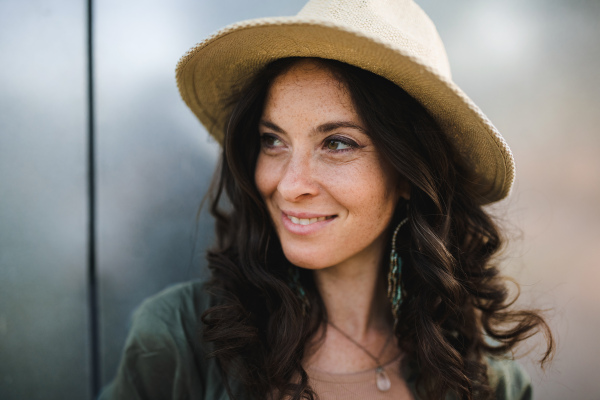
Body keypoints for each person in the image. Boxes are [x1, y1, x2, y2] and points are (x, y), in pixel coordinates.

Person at [100, 0, 554, 399]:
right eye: (273, 140)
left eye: (337, 143)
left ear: (410, 173)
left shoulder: (483, 381)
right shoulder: (178, 341)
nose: (290, 184)